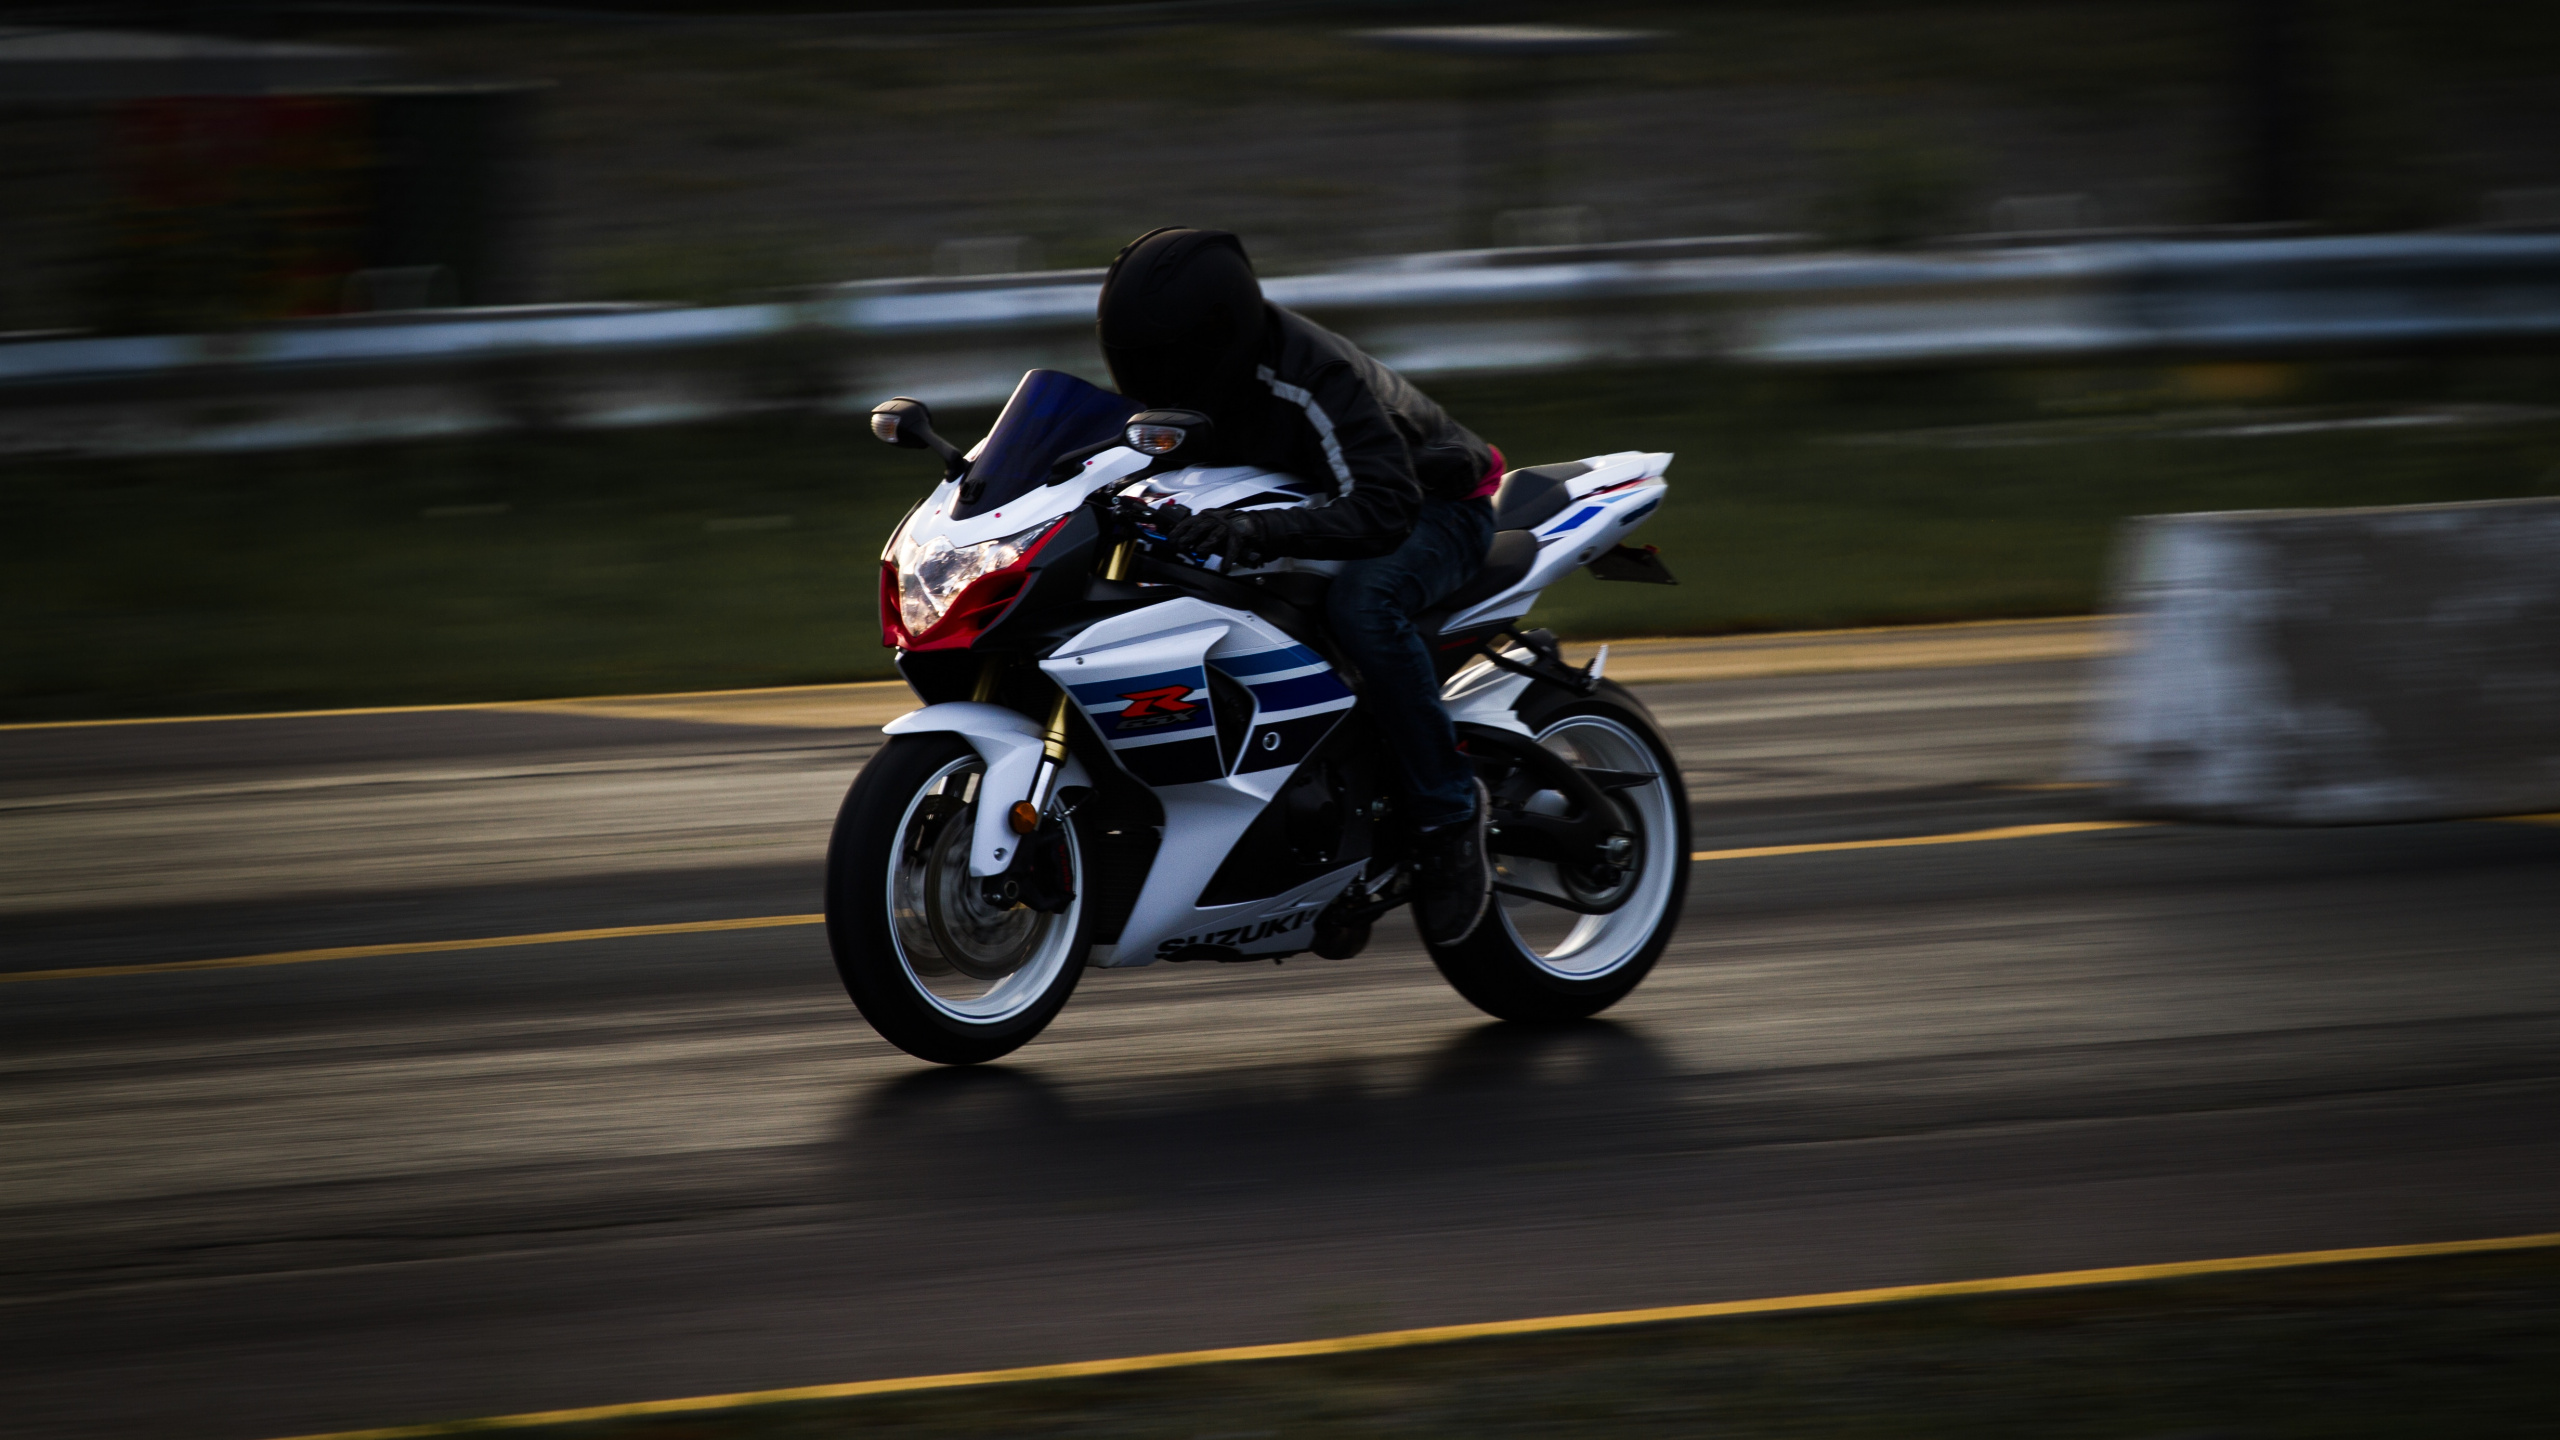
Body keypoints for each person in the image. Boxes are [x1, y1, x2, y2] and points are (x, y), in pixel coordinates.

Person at [1095, 226, 1503, 945]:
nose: (1144, 374)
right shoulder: (1184, 383)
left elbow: (1384, 506)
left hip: (1437, 505)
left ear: (1212, 339)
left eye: (1158, 358)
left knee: (1363, 607)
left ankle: (1447, 810)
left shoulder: (1307, 377)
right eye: (1132, 359)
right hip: (1318, 500)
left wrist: (1257, 535)